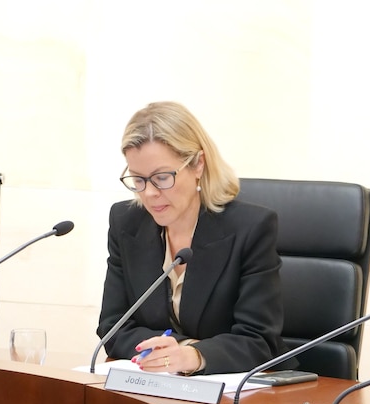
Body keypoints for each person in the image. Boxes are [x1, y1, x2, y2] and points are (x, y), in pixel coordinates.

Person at [97, 101, 290, 375]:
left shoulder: (251, 229)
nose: (149, 193)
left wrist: (194, 357)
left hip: (241, 393)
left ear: (198, 164)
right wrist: (180, 349)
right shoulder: (126, 223)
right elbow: (113, 327)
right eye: (138, 179)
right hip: (159, 388)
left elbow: (259, 341)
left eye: (162, 177)